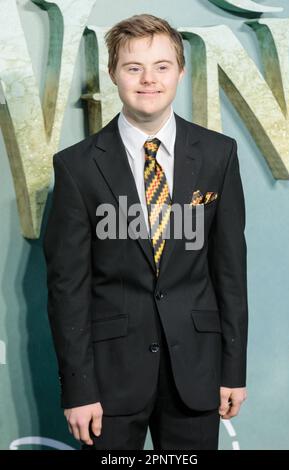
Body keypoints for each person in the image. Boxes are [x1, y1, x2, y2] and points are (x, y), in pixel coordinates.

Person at [43, 13, 248, 450]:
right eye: (133, 67)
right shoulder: (77, 167)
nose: (148, 79)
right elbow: (67, 287)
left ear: (180, 71)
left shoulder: (218, 155)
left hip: (195, 374)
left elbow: (230, 273)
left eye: (161, 66)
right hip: (109, 382)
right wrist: (78, 389)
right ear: (113, 74)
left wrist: (233, 370)